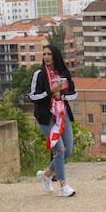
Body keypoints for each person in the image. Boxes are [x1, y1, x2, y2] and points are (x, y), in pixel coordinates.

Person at [28, 45, 79, 197]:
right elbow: (33, 96)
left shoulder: (63, 73)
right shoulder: (39, 74)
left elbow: (74, 94)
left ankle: (47, 174)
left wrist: (61, 95)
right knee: (59, 150)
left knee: (68, 150)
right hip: (46, 117)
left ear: (55, 55)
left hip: (62, 115)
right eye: (44, 54)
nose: (46, 57)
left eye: (49, 54)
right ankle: (63, 186)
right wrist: (50, 92)